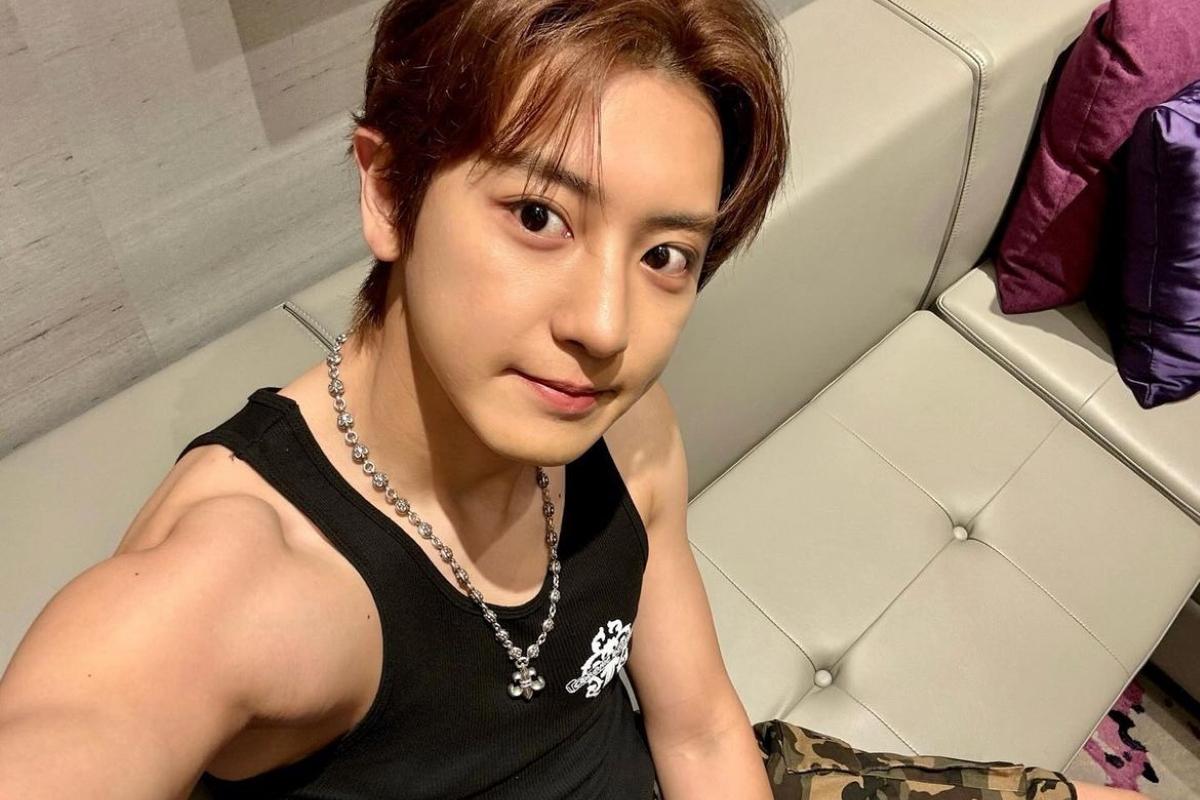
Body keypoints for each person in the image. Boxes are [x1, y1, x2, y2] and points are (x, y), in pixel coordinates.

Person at [0, 2, 1156, 800]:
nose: (607, 326)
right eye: (539, 216)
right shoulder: (234, 584)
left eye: (665, 256)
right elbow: (78, 729)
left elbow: (698, 728)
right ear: (391, 190)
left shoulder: (627, 434)